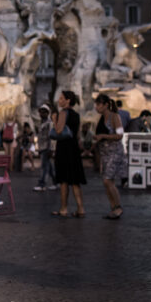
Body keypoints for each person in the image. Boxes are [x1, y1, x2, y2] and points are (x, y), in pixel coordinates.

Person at [51, 90, 86, 218]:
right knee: (75, 180)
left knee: (64, 180)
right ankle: (80, 208)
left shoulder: (63, 113)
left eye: (61, 98)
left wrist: (54, 120)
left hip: (64, 148)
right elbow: (77, 134)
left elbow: (59, 131)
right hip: (74, 148)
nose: (59, 101)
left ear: (68, 100)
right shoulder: (76, 115)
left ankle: (63, 208)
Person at [93, 94, 126, 219]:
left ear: (106, 105)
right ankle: (113, 208)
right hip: (105, 153)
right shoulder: (102, 118)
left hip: (114, 152)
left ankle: (118, 207)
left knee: (108, 180)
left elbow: (120, 135)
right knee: (107, 182)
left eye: (98, 104)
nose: (97, 107)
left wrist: (103, 136)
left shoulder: (114, 116)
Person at [33, 104, 57, 191]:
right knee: (50, 167)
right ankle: (56, 182)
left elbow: (51, 137)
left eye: (43, 112)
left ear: (47, 113)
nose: (41, 114)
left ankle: (42, 184)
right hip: (42, 148)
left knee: (44, 167)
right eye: (40, 112)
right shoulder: (42, 123)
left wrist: (51, 149)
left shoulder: (49, 123)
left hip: (47, 148)